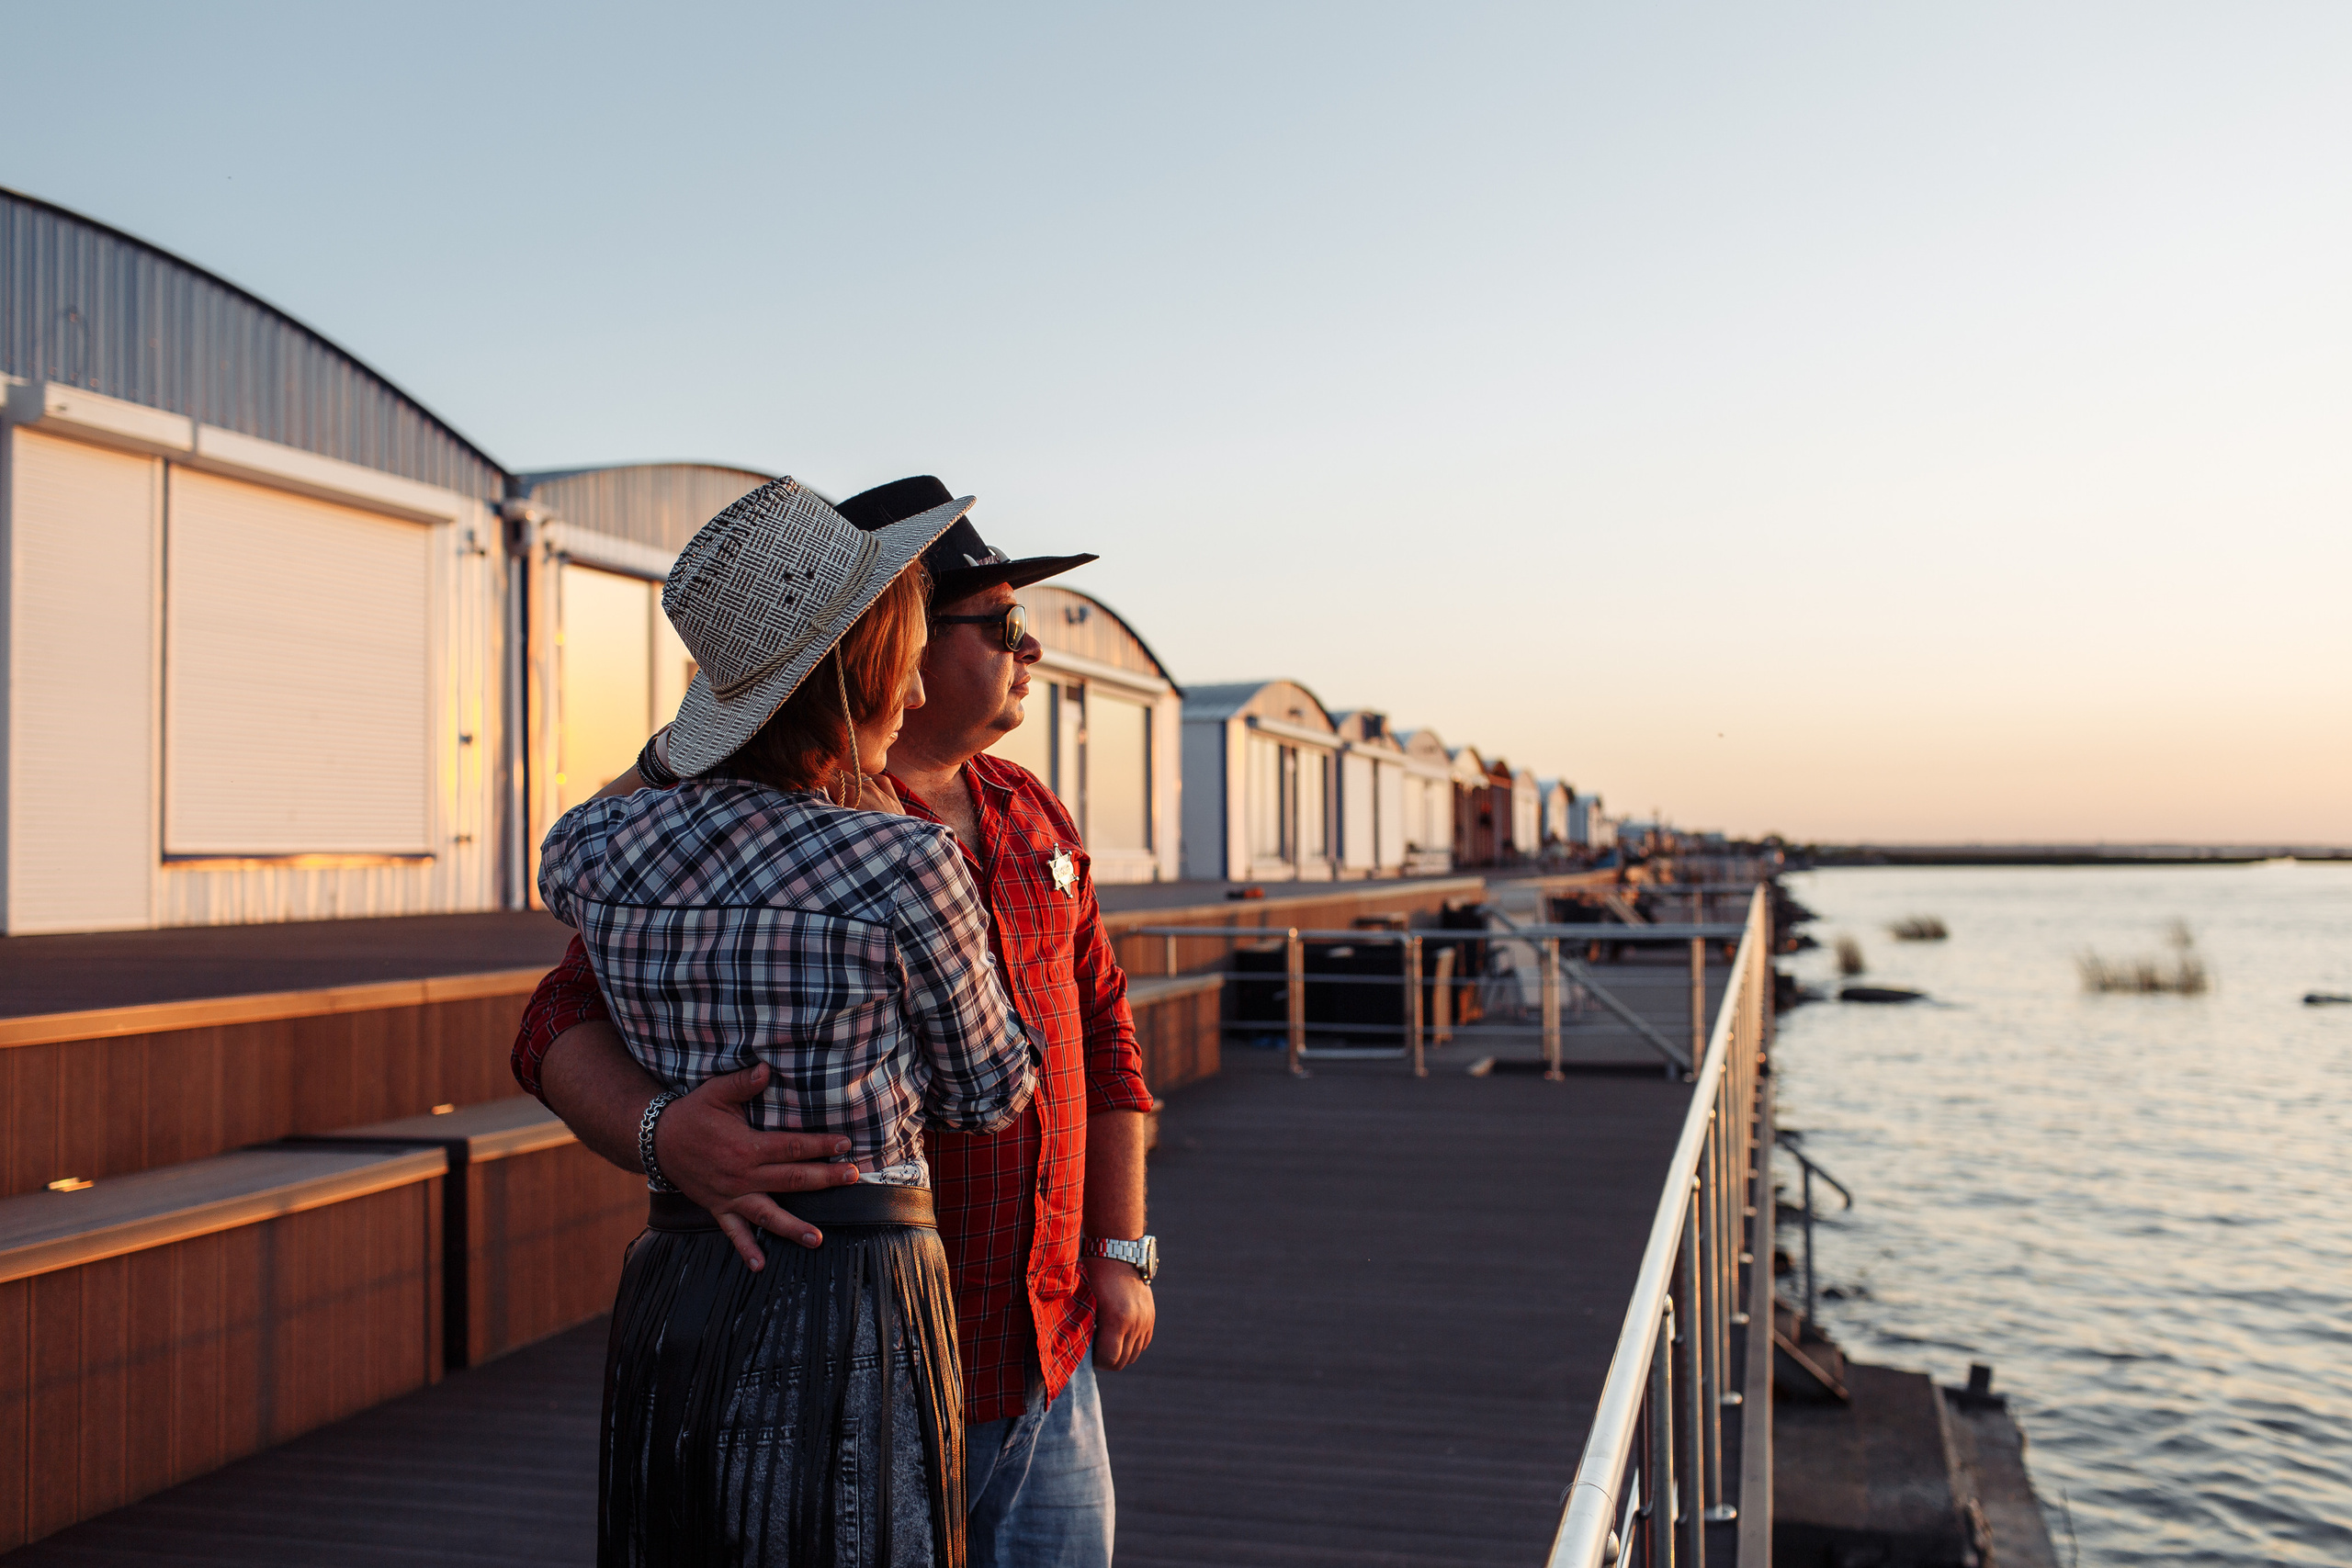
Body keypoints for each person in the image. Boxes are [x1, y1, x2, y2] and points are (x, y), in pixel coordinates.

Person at [514, 477, 1157, 1568]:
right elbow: (554, 1019)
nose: (1029, 648)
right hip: (876, 1338)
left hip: (1039, 1337)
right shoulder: (834, 851)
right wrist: (665, 1133)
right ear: (890, 635)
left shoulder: (1028, 810)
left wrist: (1120, 1245)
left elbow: (1103, 1027)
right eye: (1000, 624)